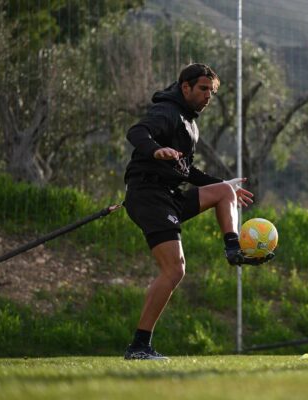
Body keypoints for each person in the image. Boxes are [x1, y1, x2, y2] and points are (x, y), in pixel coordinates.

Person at [122, 63, 272, 360]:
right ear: (185, 87)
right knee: (175, 269)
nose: (207, 96)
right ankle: (139, 346)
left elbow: (186, 171)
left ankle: (233, 249)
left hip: (169, 195)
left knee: (224, 191)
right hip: (149, 196)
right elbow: (136, 132)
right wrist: (155, 150)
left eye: (211, 92)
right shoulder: (167, 112)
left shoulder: (189, 122)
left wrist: (223, 186)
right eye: (203, 89)